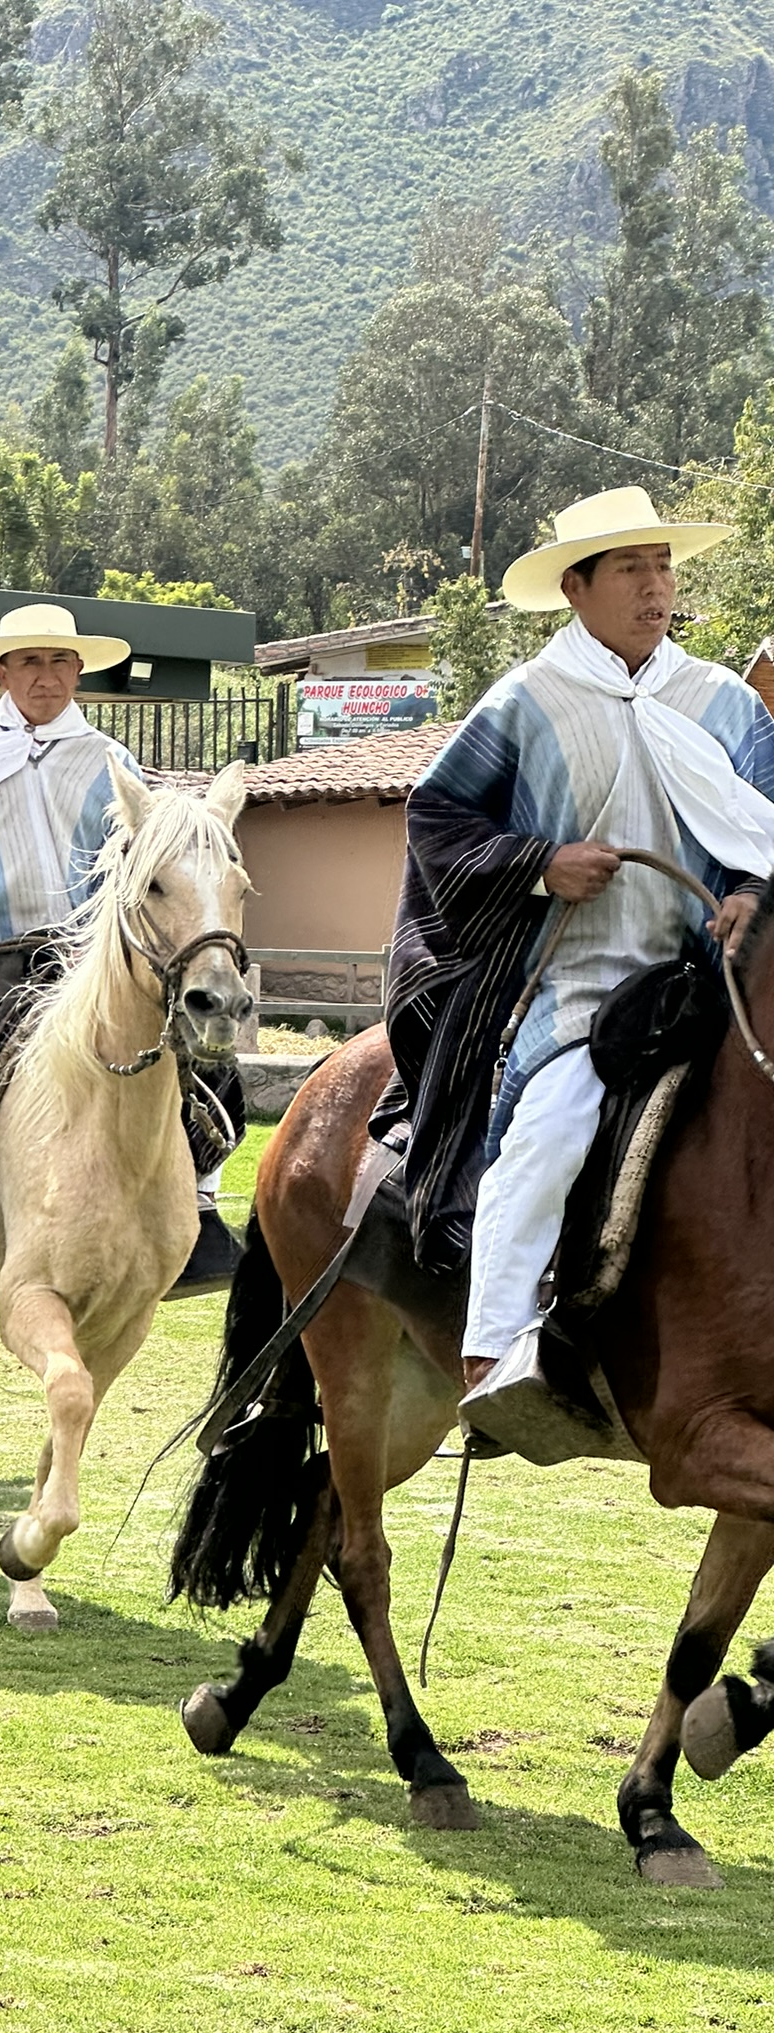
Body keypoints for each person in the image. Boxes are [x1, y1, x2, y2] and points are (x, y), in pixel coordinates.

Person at [373, 486, 774, 1398]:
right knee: (551, 1128)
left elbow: (770, 827)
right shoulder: (526, 702)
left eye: (663, 566)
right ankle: (494, 1351)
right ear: (575, 588)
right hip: (579, 984)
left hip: (711, 983)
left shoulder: (723, 702)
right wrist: (540, 863)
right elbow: (438, 817)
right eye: (631, 568)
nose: (656, 586)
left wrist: (750, 894)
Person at [0, 600, 244, 1297]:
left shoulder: (109, 761)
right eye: (29, 661)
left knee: (215, 1074)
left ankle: (200, 1211)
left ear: (79, 671)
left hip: (76, 961)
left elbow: (139, 875)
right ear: (1, 672)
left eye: (60, 661)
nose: (46, 675)